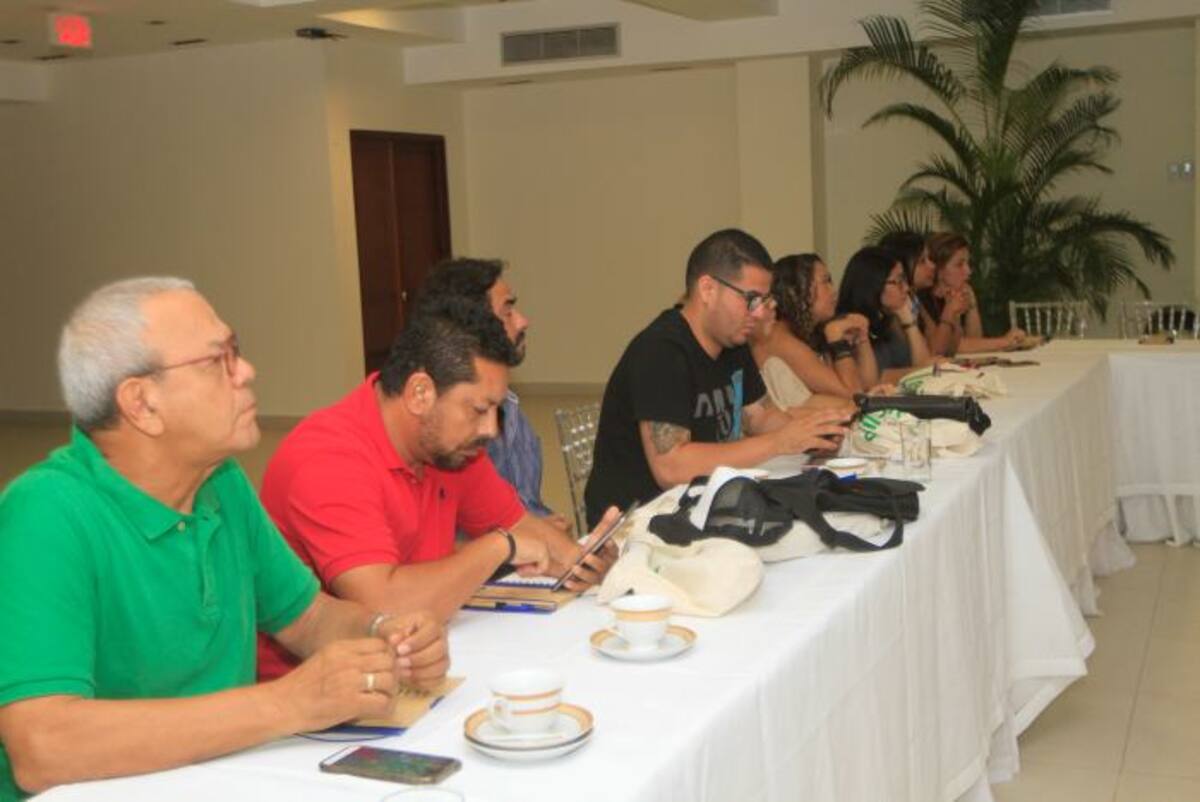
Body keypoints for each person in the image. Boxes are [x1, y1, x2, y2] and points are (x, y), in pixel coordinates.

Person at [0, 278, 449, 799]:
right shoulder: (45, 513)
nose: (247, 371)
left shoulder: (220, 483)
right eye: (219, 360)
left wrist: (383, 633)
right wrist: (286, 703)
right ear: (142, 404)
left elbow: (309, 618)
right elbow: (44, 746)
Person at [257, 296, 618, 679]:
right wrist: (499, 546)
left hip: (421, 657)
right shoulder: (328, 458)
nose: (490, 429)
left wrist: (583, 561)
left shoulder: (450, 448)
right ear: (420, 393)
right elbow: (387, 609)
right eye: (479, 410)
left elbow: (523, 527)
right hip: (320, 688)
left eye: (496, 410)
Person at [584, 229, 852, 527]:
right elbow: (671, 467)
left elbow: (760, 416)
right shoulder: (660, 352)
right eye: (751, 299)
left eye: (764, 300)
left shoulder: (732, 342)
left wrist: (812, 435)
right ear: (708, 289)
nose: (759, 313)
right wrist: (779, 442)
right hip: (637, 524)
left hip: (701, 505)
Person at [418, 258, 561, 525]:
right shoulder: (447, 435)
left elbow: (522, 514)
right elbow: (445, 539)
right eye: (507, 311)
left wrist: (552, 533)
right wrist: (526, 538)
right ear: (472, 324)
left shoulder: (511, 408)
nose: (523, 321)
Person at [750, 253, 880, 406]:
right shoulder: (780, 337)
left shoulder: (812, 331)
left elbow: (868, 386)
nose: (834, 291)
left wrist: (863, 338)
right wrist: (837, 342)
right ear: (798, 289)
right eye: (826, 281)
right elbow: (854, 395)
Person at [835, 246, 935, 384]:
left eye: (904, 280)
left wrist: (909, 322)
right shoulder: (850, 325)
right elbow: (873, 380)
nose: (906, 288)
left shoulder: (888, 318)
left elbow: (922, 363)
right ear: (874, 285)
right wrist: (921, 371)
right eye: (898, 281)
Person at [917, 232, 1027, 355]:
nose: (968, 271)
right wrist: (1006, 342)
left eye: (968, 264)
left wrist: (972, 305)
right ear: (939, 270)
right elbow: (953, 346)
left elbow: (975, 341)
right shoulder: (922, 299)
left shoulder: (958, 293)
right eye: (959, 265)